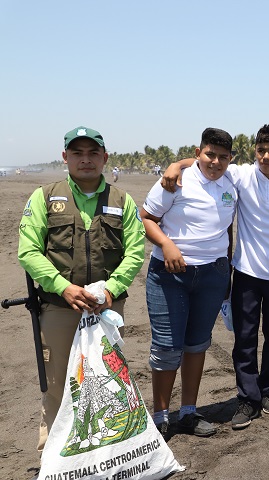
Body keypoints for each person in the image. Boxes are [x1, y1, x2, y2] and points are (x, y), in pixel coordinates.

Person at [161, 125, 269, 430]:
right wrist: (174, 164)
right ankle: (248, 398)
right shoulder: (240, 174)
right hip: (246, 272)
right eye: (261, 150)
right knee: (245, 338)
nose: (265, 156)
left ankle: (267, 388)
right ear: (253, 151)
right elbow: (205, 161)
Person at [17, 126, 146, 451]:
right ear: (66, 158)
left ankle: (107, 454)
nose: (85, 160)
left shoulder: (122, 200)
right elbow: (28, 251)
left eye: (92, 153)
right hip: (59, 309)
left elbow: (135, 251)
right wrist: (64, 288)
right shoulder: (44, 197)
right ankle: (56, 458)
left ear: (104, 158)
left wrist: (111, 290)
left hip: (107, 311)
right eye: (77, 153)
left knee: (107, 382)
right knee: (59, 385)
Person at [140, 128, 237, 439]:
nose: (216, 162)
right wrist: (167, 245)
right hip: (170, 275)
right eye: (210, 154)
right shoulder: (175, 180)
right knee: (167, 347)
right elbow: (147, 217)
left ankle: (189, 413)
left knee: (197, 344)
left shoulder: (232, 180)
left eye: (223, 157)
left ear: (231, 159)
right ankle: (160, 417)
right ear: (199, 152)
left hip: (213, 274)